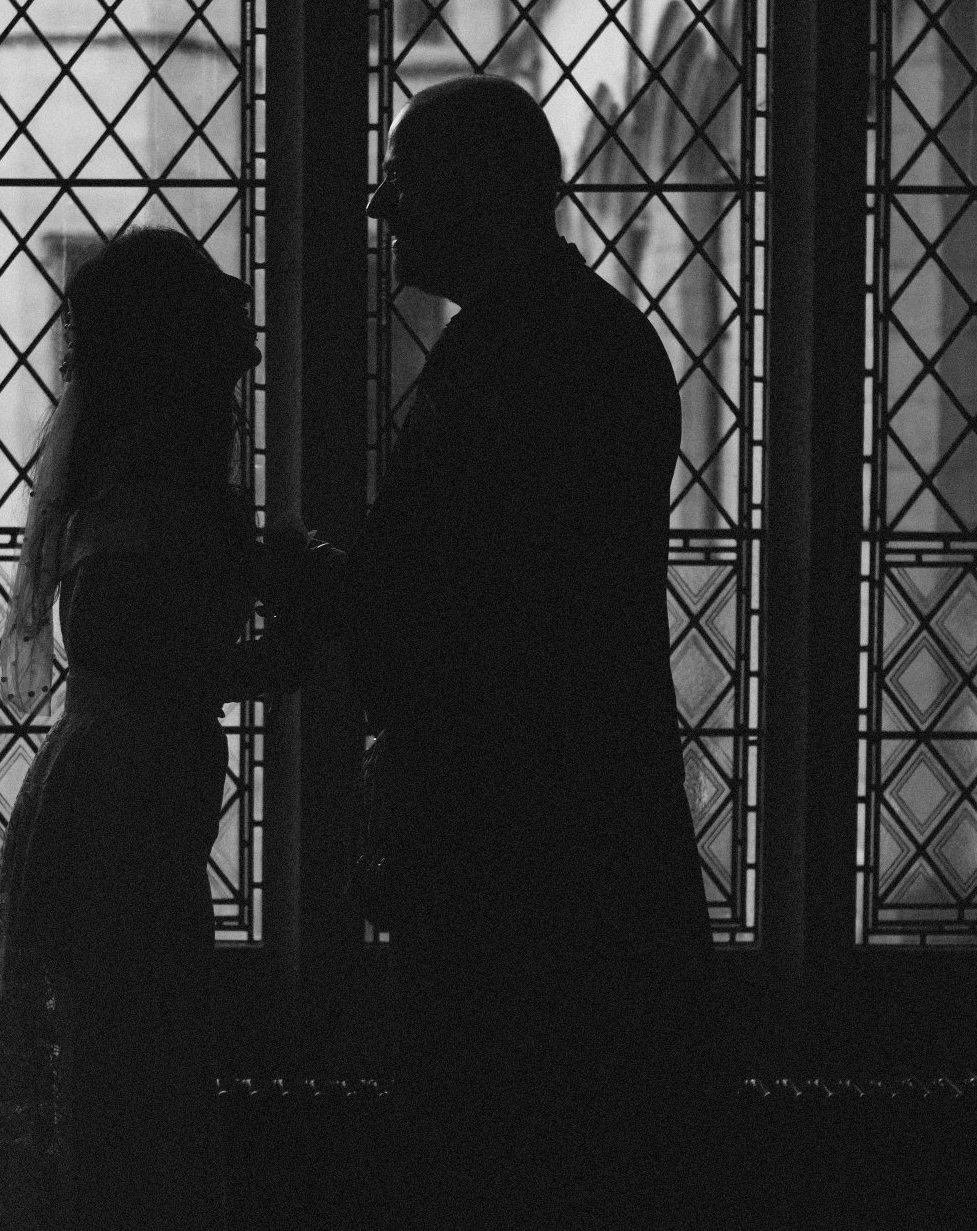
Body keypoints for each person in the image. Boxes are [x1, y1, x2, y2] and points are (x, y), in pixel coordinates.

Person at [271, 75, 717, 1228]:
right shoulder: (563, 336)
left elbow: (474, 608)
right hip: (552, 840)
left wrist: (301, 575)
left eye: (403, 179)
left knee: (506, 1154)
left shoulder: (537, 353)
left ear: (482, 189)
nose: (379, 207)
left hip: (527, 859)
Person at [0, 226, 266, 1231]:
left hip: (126, 798)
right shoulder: (144, 487)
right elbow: (137, 642)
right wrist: (280, 655)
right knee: (126, 1083)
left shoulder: (141, 477)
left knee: (129, 1079)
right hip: (120, 812)